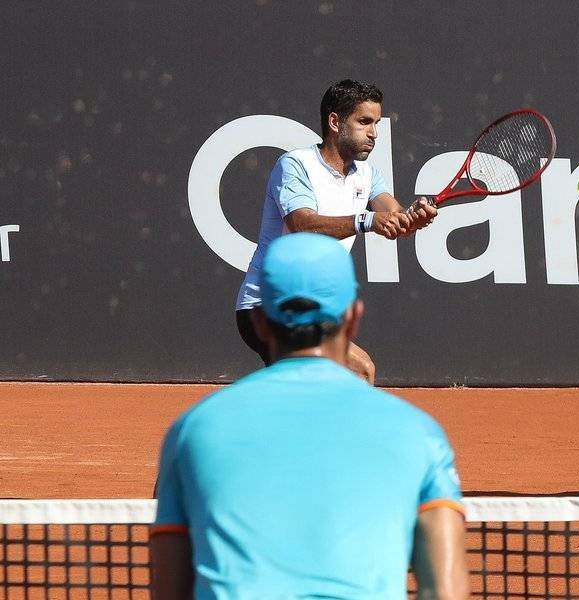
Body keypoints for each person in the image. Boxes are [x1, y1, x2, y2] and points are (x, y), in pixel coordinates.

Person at [151, 232, 468, 599]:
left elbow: (170, 590)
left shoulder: (192, 432)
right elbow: (445, 592)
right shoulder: (421, 436)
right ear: (354, 319)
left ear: (257, 322)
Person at [235, 79, 438, 383]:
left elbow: (396, 217)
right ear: (335, 122)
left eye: (376, 124)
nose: (373, 133)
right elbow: (302, 224)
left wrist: (415, 218)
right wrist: (366, 221)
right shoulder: (295, 165)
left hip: (309, 310)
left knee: (354, 374)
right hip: (267, 306)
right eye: (364, 122)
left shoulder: (368, 175)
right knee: (355, 372)